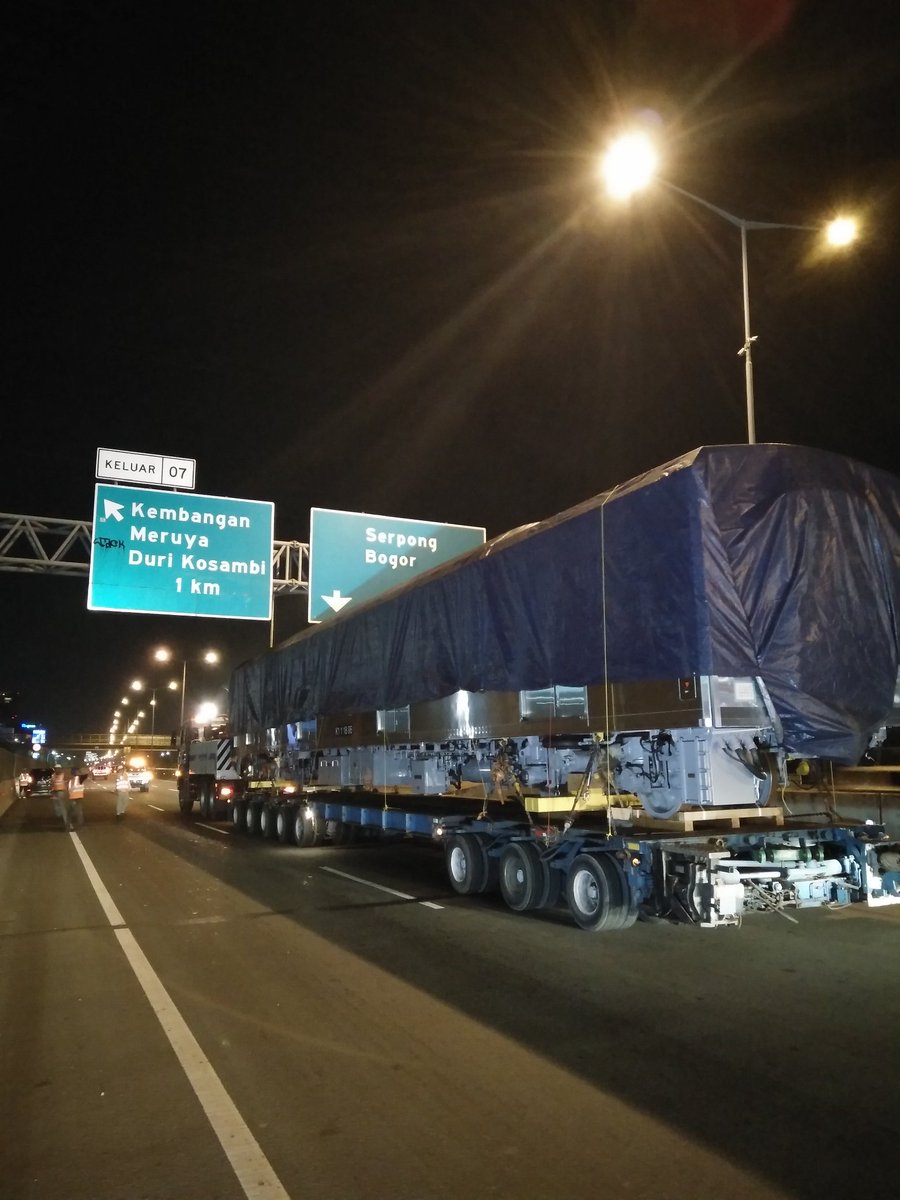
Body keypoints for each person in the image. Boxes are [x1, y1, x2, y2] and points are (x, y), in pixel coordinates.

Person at [50, 764, 69, 830]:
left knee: (62, 807)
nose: (57, 770)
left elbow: (67, 783)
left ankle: (65, 822)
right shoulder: (53, 775)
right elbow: (52, 784)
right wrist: (52, 792)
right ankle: (61, 820)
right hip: (55, 792)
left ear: (60, 769)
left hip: (61, 792)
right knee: (57, 807)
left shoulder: (63, 775)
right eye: (56, 768)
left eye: (58, 768)